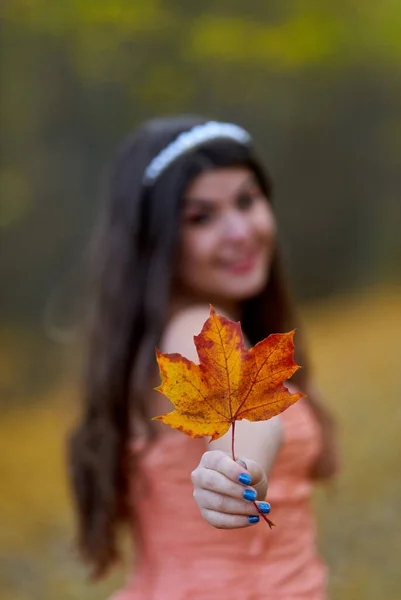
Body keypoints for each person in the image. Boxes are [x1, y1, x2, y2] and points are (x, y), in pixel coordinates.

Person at [68, 116, 339, 600]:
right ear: (157, 242)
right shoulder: (192, 329)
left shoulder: (238, 333)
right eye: (201, 218)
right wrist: (235, 472)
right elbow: (246, 420)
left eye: (246, 200)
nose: (239, 231)